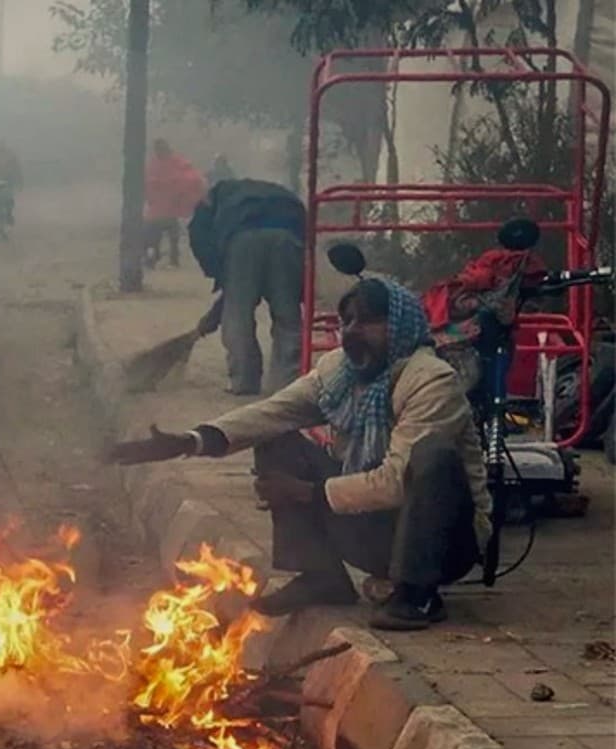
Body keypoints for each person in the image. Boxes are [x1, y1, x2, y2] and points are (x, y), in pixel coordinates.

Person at [109, 276, 491, 631]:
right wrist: (190, 441)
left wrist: (307, 492)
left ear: (401, 327)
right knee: (275, 438)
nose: (354, 332)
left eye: (369, 322)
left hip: (445, 544)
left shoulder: (431, 381)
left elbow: (394, 481)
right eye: (349, 321)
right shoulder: (341, 371)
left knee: (432, 456)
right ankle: (322, 576)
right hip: (373, 531)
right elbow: (275, 412)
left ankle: (417, 596)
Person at [189, 178, 306, 395]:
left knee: (237, 316)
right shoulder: (277, 193)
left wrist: (219, 273)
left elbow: (198, 236)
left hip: (243, 240)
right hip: (288, 237)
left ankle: (244, 381)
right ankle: (286, 386)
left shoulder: (210, 201)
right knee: (288, 316)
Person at [144, 138, 206, 269]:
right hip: (161, 209)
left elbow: (189, 178)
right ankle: (157, 258)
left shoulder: (174, 162)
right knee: (158, 237)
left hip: (167, 209)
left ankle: (165, 259)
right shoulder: (157, 163)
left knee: (167, 237)